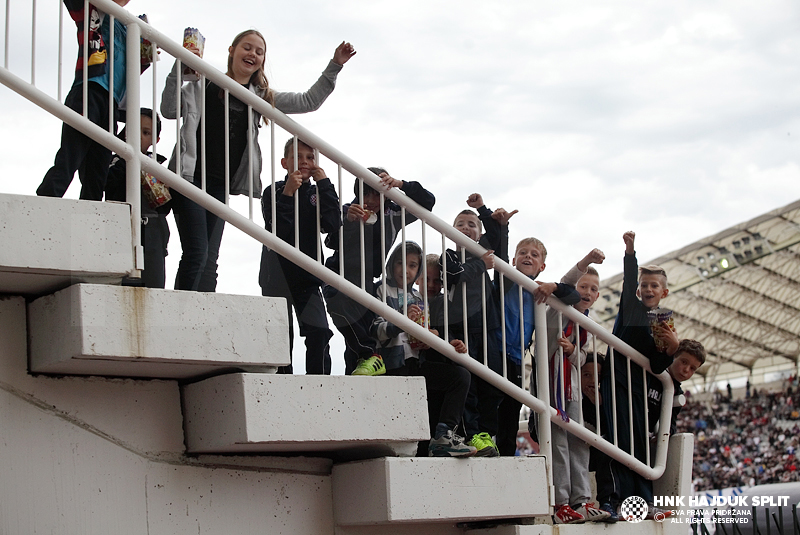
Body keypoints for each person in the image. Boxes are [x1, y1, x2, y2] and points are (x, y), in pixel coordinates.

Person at [160, 29, 355, 291]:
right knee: (197, 252)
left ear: (262, 60)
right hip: (189, 177)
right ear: (232, 51)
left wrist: (335, 65)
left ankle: (203, 317)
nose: (252, 54)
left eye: (259, 51)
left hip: (219, 183)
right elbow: (169, 109)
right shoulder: (203, 82)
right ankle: (181, 312)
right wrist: (179, 67)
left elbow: (308, 101)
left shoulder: (259, 96)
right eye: (247, 47)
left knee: (210, 260)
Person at [598, 231, 680, 517]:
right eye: (644, 285)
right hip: (617, 380)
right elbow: (629, 277)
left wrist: (671, 350)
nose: (647, 289)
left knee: (639, 444)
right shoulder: (631, 309)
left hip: (639, 389)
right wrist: (630, 252)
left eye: (654, 285)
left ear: (663, 292)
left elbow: (657, 366)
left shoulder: (662, 321)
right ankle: (625, 502)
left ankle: (645, 502)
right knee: (622, 443)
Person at [323, 169, 435, 375]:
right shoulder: (350, 210)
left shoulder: (393, 214)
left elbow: (428, 201)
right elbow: (330, 241)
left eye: (377, 193)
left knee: (363, 325)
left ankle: (366, 363)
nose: (371, 199)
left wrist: (400, 184)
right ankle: (368, 356)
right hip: (339, 272)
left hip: (367, 277)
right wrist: (348, 222)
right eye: (366, 193)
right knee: (339, 306)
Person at [371, 243, 475, 457]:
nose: (406, 270)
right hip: (392, 365)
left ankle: (443, 434)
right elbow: (376, 331)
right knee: (405, 422)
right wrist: (402, 321)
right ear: (391, 264)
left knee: (460, 376)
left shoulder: (419, 300)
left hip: (416, 363)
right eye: (401, 263)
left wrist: (440, 340)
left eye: (412, 265)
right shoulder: (381, 290)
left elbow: (421, 335)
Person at [38, 0, 148, 201]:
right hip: (89, 89)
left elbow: (126, 69)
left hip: (112, 101)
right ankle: (46, 199)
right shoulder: (95, 10)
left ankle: (93, 214)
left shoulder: (127, 25)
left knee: (98, 170)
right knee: (71, 156)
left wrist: (145, 56)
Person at [539, 252, 611, 524]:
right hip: (551, 386)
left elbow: (582, 358)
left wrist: (571, 352)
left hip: (573, 390)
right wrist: (585, 261)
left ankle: (582, 501)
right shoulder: (556, 308)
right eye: (582, 286)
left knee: (580, 442)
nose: (587, 292)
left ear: (598, 296)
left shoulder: (587, 325)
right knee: (558, 443)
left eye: (593, 289)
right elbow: (565, 281)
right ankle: (561, 504)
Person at [259, 138, 340, 375]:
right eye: (298, 156)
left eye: (310, 157)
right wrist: (287, 193)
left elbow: (333, 224)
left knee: (319, 332)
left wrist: (324, 184)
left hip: (307, 277)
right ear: (285, 162)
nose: (304, 162)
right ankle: (283, 382)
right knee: (281, 336)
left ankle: (318, 383)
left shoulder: (317, 192)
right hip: (276, 276)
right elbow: (278, 230)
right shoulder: (272, 190)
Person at [495, 237, 580, 458]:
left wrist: (553, 286)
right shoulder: (506, 279)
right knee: (489, 408)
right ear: (513, 260)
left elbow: (574, 295)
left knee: (510, 414)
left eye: (534, 255)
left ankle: (505, 460)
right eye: (523, 253)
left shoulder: (540, 293)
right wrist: (503, 228)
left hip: (515, 359)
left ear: (542, 266)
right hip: (494, 353)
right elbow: (498, 255)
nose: (527, 257)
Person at [439, 194, 504, 456]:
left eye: (472, 225)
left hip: (487, 329)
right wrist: (481, 264)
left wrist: (483, 209)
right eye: (461, 224)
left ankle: (486, 433)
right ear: (452, 231)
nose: (466, 228)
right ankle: (472, 433)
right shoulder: (449, 257)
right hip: (462, 330)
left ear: (478, 233)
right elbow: (454, 275)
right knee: (471, 387)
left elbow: (497, 234)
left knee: (494, 384)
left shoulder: (481, 250)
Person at [104, 108, 170, 288]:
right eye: (134, 129)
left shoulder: (159, 166)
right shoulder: (113, 162)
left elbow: (165, 207)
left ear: (155, 140)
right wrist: (130, 161)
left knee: (154, 289)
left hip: (153, 235)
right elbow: (107, 185)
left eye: (146, 132)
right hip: (121, 232)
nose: (139, 136)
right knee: (119, 288)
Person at [647, 339, 706, 436]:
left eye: (692, 368)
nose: (686, 370)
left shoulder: (677, 393)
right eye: (684, 362)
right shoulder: (652, 371)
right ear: (674, 356)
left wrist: (669, 432)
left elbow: (671, 423)